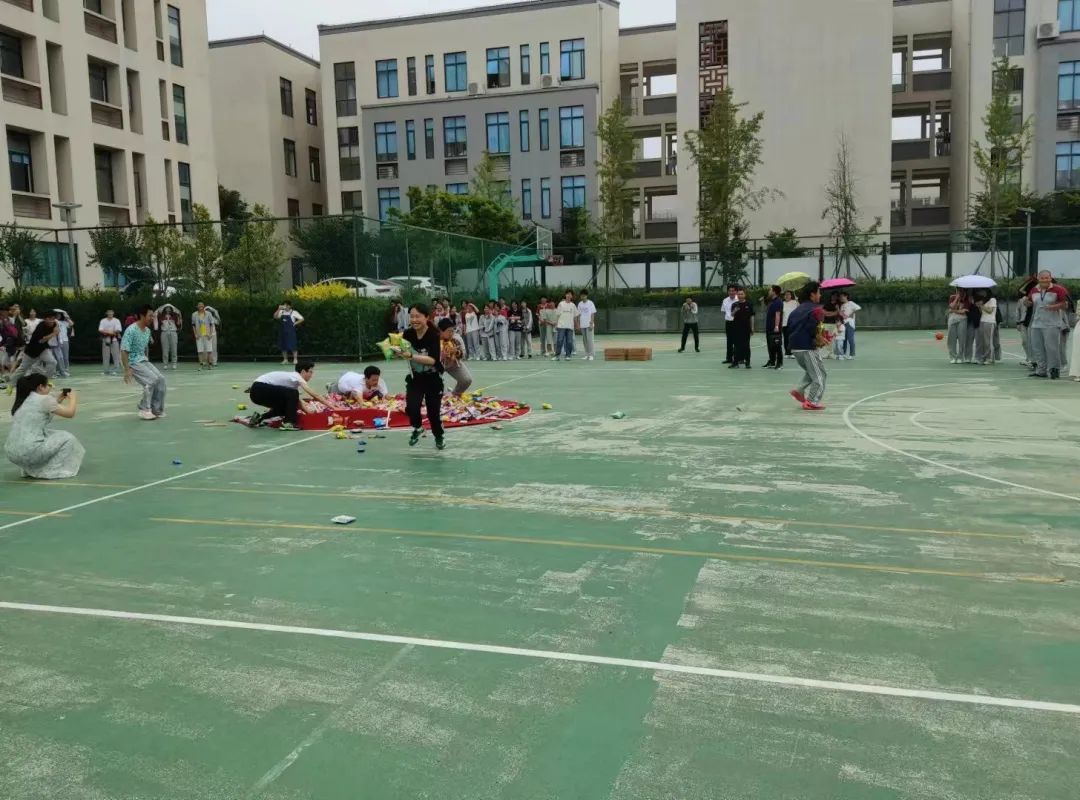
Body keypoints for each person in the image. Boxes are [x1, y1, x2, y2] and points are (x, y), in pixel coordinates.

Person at [4, 375, 83, 479]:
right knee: (68, 438)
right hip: (29, 451)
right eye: (48, 385)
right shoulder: (45, 399)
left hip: (11, 451)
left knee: (48, 433)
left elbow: (42, 412)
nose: (50, 387)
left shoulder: (24, 399)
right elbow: (70, 413)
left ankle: (29, 470)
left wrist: (58, 400)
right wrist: (73, 398)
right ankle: (53, 470)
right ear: (41, 387)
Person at [397, 303, 445, 450]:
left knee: (433, 413)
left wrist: (411, 356)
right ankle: (417, 428)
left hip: (432, 378)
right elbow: (404, 351)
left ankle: (438, 436)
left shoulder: (433, 335)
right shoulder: (408, 334)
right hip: (415, 377)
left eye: (418, 316)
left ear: (426, 317)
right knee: (412, 407)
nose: (414, 319)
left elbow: (432, 360)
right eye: (411, 316)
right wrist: (396, 351)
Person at [248, 361, 330, 431]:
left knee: (287, 408)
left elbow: (296, 401)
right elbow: (315, 395)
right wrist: (333, 406)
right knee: (293, 393)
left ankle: (259, 418)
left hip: (256, 394)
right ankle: (288, 423)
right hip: (259, 388)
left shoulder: (292, 382)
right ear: (303, 371)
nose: (311, 375)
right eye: (310, 372)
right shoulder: (297, 377)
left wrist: (308, 413)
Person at [121, 305, 167, 421]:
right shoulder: (131, 330)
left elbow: (145, 348)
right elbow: (124, 350)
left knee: (160, 379)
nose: (152, 318)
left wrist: (147, 363)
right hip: (133, 362)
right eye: (150, 316)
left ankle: (156, 409)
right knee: (151, 380)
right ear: (142, 316)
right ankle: (144, 409)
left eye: (153, 316)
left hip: (143, 360)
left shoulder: (147, 331)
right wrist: (127, 369)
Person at [787, 282, 828, 411]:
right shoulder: (816, 309)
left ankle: (799, 390)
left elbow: (789, 327)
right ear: (812, 294)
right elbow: (813, 328)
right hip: (807, 347)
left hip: (795, 347)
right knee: (820, 375)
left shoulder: (796, 311)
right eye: (819, 292)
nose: (820, 295)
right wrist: (819, 338)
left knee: (812, 372)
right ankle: (812, 401)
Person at [1025, 270, 1069, 380]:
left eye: (1047, 277)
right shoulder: (1034, 290)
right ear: (1038, 279)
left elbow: (1066, 305)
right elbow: (1030, 302)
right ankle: (1041, 370)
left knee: (1052, 348)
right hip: (1036, 323)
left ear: (1050, 278)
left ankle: (1054, 370)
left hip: (1052, 324)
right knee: (1037, 348)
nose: (1045, 280)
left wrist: (1055, 307)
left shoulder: (1059, 289)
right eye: (1042, 278)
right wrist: (1026, 302)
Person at [11, 311, 59, 382]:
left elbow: (56, 326)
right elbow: (41, 341)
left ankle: (46, 381)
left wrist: (56, 327)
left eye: (53, 319)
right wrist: (54, 333)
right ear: (45, 319)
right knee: (23, 369)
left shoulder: (54, 323)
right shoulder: (40, 327)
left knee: (52, 362)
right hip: (32, 351)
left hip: (43, 349)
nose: (52, 321)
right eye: (50, 319)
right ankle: (11, 384)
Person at [438, 317, 473, 396]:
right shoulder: (433, 339)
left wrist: (456, 352)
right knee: (434, 384)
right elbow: (428, 357)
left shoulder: (456, 338)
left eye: (452, 331)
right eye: (448, 331)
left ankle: (455, 395)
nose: (451, 333)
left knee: (466, 380)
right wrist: (441, 356)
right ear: (440, 331)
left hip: (453, 364)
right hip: (437, 366)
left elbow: (464, 354)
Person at [728, 288, 754, 369]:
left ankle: (747, 363)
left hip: (746, 329)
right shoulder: (734, 304)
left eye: (741, 294)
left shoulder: (749, 304)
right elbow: (731, 315)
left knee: (746, 346)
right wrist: (734, 311)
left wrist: (752, 327)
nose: (740, 295)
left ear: (744, 295)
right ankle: (735, 363)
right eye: (738, 294)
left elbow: (752, 317)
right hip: (736, 328)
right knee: (736, 346)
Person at [946, 288, 973, 364]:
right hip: (952, 320)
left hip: (962, 320)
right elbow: (951, 306)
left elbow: (964, 311)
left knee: (962, 339)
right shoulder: (952, 297)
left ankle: (960, 357)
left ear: (964, 291)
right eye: (958, 290)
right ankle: (953, 357)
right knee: (951, 340)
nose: (959, 292)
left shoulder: (967, 299)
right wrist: (956, 298)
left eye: (961, 291)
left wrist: (953, 311)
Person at [972, 289, 998, 367]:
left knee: (987, 341)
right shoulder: (984, 300)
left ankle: (989, 358)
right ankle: (984, 357)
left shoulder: (992, 299)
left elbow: (990, 311)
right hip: (982, 320)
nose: (982, 294)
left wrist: (981, 306)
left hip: (989, 322)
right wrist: (979, 306)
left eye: (984, 292)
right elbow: (982, 312)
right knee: (982, 341)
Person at [763, 285, 784, 369]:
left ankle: (779, 363)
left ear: (774, 292)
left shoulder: (778, 301)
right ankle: (772, 361)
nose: (769, 292)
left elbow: (777, 314)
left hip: (775, 328)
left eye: (770, 290)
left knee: (777, 345)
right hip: (769, 327)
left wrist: (776, 326)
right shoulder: (772, 301)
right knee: (770, 345)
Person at [156, 303, 181, 370]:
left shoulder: (175, 316)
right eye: (166, 308)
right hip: (164, 332)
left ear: (171, 309)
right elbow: (156, 321)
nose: (168, 309)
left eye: (169, 308)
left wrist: (179, 317)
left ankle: (174, 363)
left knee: (174, 348)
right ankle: (165, 364)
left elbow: (178, 324)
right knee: (165, 349)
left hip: (173, 332)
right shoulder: (161, 316)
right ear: (164, 309)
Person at [836, 292, 861, 360]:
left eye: (842, 296)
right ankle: (843, 353)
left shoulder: (851, 303)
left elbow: (858, 308)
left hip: (850, 323)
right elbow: (841, 315)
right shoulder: (842, 305)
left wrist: (850, 315)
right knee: (844, 339)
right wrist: (838, 309)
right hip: (843, 323)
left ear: (846, 296)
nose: (841, 298)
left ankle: (852, 354)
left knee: (850, 339)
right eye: (840, 297)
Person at [191, 302, 216, 370]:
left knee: (209, 351)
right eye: (199, 306)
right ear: (197, 307)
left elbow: (211, 324)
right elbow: (193, 325)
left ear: (204, 306)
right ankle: (201, 365)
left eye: (202, 306)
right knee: (200, 351)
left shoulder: (208, 313)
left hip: (207, 334)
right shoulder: (194, 314)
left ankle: (210, 365)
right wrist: (195, 334)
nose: (200, 307)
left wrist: (210, 334)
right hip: (199, 335)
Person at [554, 291, 578, 362]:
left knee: (570, 341)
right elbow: (557, 315)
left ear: (572, 296)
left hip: (570, 326)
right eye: (567, 294)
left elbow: (575, 316)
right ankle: (557, 356)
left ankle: (568, 355)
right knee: (560, 340)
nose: (568, 295)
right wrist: (556, 324)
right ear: (565, 295)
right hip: (561, 326)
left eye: (570, 294)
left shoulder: (573, 305)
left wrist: (577, 325)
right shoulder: (561, 304)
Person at [99, 309, 123, 375]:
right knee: (105, 355)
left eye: (111, 313)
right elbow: (100, 329)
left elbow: (118, 330)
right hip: (106, 339)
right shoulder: (103, 320)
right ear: (106, 313)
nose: (110, 314)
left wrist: (111, 333)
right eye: (109, 313)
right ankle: (106, 370)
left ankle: (115, 370)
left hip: (114, 340)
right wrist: (110, 332)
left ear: (113, 313)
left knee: (116, 355)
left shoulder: (116, 320)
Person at [51, 311, 72, 378]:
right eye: (57, 314)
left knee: (65, 357)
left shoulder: (64, 322)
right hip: (57, 341)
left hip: (65, 340)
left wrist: (66, 315)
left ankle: (66, 370)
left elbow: (71, 324)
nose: (59, 315)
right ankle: (57, 371)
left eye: (60, 314)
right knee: (57, 357)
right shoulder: (54, 321)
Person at [721, 285, 739, 364]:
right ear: (728, 292)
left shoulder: (739, 300)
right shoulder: (725, 300)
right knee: (729, 341)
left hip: (737, 323)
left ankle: (737, 358)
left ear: (736, 292)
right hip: (728, 323)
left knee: (737, 341)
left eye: (733, 291)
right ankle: (729, 358)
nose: (731, 292)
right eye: (730, 291)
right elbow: (724, 311)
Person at [577, 290, 597, 361]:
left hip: (589, 324)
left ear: (586, 296)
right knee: (584, 340)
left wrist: (591, 323)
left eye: (584, 295)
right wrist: (578, 324)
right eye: (581, 295)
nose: (582, 297)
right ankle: (587, 354)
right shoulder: (579, 304)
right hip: (582, 325)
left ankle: (591, 355)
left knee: (590, 340)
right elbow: (579, 315)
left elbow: (592, 313)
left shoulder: (590, 303)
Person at [781, 291, 798, 356]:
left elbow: (800, 307)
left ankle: (792, 351)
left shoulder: (794, 302)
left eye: (788, 295)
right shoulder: (782, 303)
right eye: (785, 295)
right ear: (784, 296)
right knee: (786, 338)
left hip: (793, 323)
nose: (787, 296)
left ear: (791, 296)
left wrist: (797, 300)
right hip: (784, 323)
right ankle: (787, 352)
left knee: (792, 338)